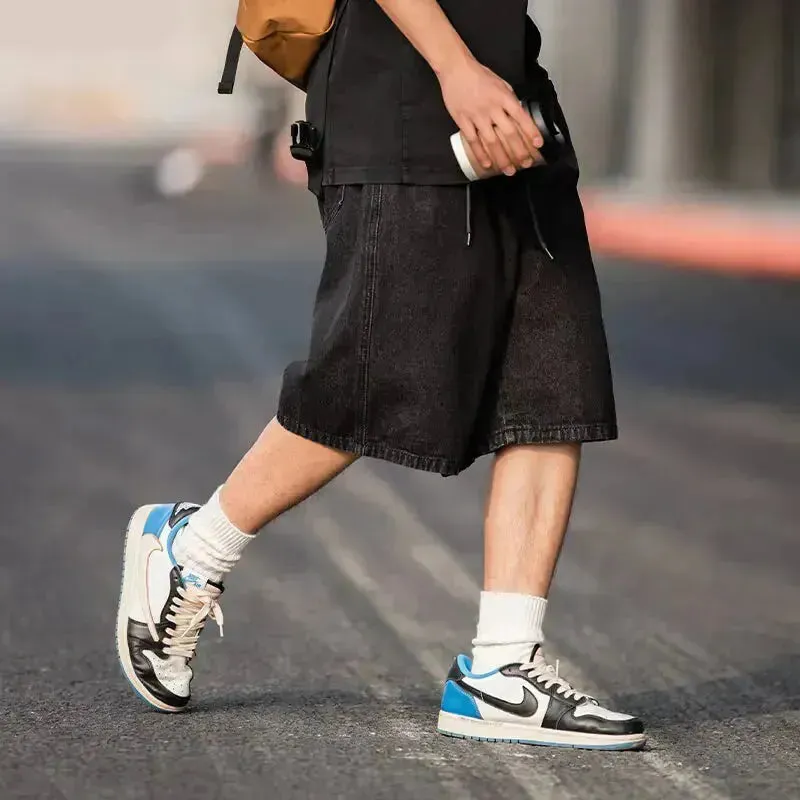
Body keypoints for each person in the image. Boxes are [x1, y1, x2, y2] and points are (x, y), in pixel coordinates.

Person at [116, 0, 646, 751]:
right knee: (371, 378)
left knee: (556, 388)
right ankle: (193, 552)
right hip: (404, 104)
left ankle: (501, 667)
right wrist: (455, 69)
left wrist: (490, 78)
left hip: (515, 109)